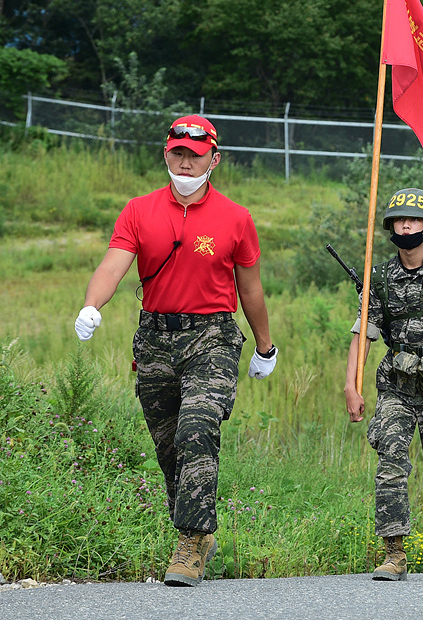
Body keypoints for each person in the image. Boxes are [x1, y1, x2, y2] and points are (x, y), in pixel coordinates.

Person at [74, 114, 277, 587]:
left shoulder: (236, 218)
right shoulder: (139, 210)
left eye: (195, 155)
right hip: (155, 338)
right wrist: (92, 305)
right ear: (167, 154)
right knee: (169, 448)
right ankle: (196, 531)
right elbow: (114, 263)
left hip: (212, 337)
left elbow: (251, 289)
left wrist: (265, 347)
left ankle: (190, 540)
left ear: (214, 158)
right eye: (177, 154)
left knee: (196, 429)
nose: (185, 163)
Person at [343, 188, 423, 581]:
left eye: (414, 220)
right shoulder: (379, 275)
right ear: (390, 228)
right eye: (400, 220)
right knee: (390, 463)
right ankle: (395, 552)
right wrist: (351, 385)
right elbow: (362, 335)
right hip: (397, 388)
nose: (406, 225)